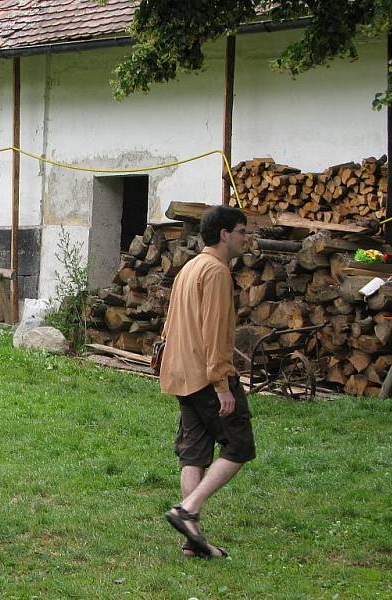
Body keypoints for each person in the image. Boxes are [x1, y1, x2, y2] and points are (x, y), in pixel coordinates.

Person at [159, 205, 255, 559]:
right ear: (225, 234)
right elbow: (214, 331)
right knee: (240, 444)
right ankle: (188, 510)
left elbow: (169, 326)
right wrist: (222, 384)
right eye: (242, 231)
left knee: (194, 453)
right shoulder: (215, 271)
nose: (246, 238)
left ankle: (192, 539)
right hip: (205, 375)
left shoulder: (189, 267)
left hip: (181, 373)